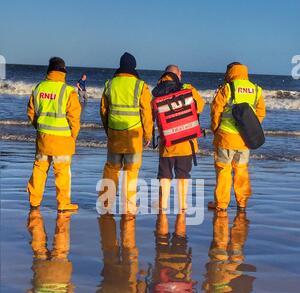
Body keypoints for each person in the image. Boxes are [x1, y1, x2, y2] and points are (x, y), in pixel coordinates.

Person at [99, 53, 153, 215]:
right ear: (133, 67)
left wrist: (108, 129)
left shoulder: (110, 84)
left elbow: (103, 110)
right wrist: (148, 134)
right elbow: (146, 113)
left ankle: (105, 204)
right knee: (131, 171)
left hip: (115, 134)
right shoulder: (140, 86)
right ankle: (128, 207)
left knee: (111, 168)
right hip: (133, 137)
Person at [209, 63, 266, 213]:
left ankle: (221, 204)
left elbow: (216, 111)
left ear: (230, 72)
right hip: (244, 140)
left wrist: (215, 129)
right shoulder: (255, 89)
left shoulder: (227, 88)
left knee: (223, 171)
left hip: (225, 138)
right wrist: (250, 128)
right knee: (241, 171)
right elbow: (260, 113)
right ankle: (242, 203)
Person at [27, 57, 81, 212]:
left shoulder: (38, 88)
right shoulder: (68, 91)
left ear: (49, 70)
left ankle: (34, 201)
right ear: (63, 71)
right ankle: (63, 203)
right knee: (62, 172)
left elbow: (31, 113)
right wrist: (73, 137)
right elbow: (74, 119)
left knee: (39, 169)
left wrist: (39, 127)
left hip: (43, 139)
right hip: (63, 140)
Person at [194, 211, 256, 293]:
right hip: (218, 280)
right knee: (222, 251)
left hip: (230, 279)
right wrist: (206, 285)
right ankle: (227, 218)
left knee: (234, 253)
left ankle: (236, 218)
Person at [152, 65, 205, 213]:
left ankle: (163, 205)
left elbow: (153, 112)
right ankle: (182, 206)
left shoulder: (158, 91)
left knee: (165, 175)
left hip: (167, 142)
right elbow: (200, 105)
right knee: (183, 174)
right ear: (179, 74)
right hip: (186, 142)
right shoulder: (188, 88)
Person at [23, 209, 77, 293]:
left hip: (60, 277)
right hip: (40, 278)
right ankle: (35, 217)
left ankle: (63, 216)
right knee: (39, 250)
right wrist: (34, 286)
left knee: (61, 250)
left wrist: (69, 285)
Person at [147, 212, 196, 293]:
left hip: (180, 271)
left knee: (177, 239)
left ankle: (165, 209)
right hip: (167, 269)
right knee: (165, 239)